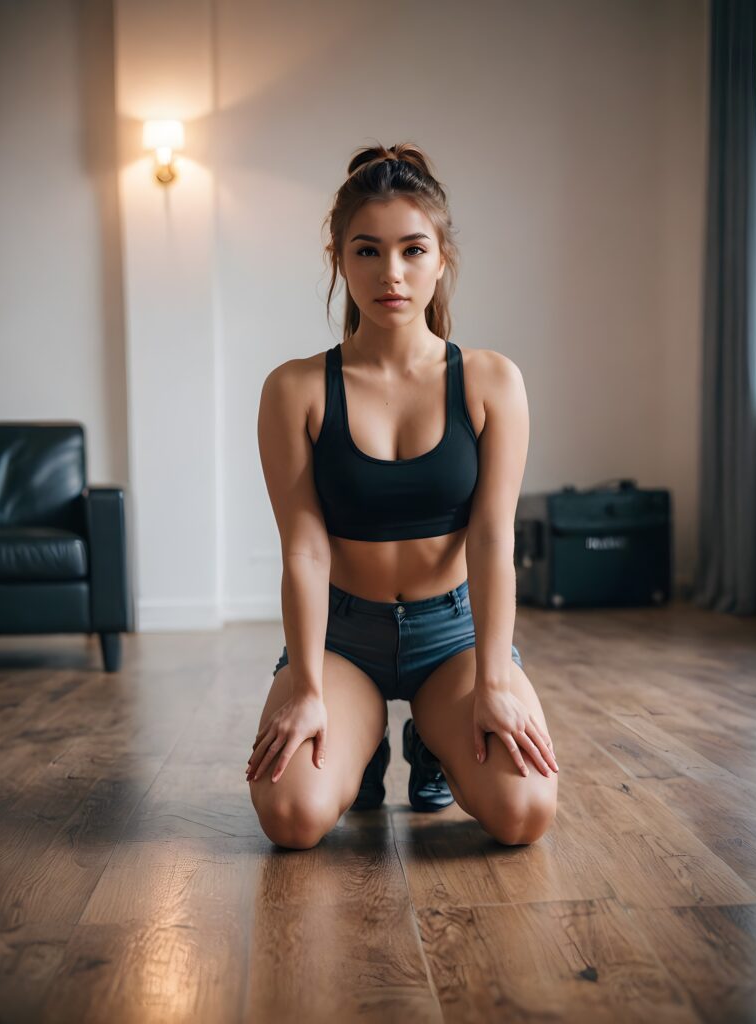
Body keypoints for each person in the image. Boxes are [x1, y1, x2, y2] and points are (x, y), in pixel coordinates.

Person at [247, 141, 559, 850]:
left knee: (524, 812)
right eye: (367, 251)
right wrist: (305, 687)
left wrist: (495, 678)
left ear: (441, 258)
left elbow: (491, 539)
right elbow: (303, 546)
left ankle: (431, 741)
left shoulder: (489, 381)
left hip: (454, 636)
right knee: (293, 819)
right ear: (338, 259)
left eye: (413, 250)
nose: (391, 273)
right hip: (341, 640)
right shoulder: (294, 389)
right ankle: (361, 749)